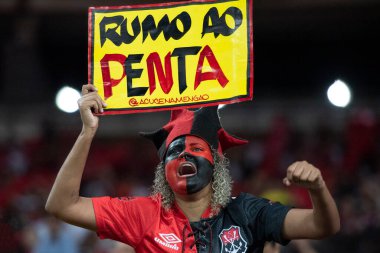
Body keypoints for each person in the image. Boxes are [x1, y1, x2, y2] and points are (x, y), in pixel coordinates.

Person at [45, 84, 340, 253]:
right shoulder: (143, 214)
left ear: (217, 164)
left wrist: (317, 188)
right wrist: (87, 132)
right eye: (174, 151)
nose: (184, 154)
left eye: (196, 149)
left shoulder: (248, 213)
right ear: (162, 172)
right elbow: (62, 205)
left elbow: (323, 226)